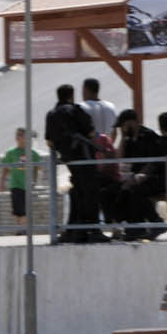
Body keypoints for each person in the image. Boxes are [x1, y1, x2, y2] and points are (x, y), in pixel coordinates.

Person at [44, 83, 101, 243]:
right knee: (90, 192)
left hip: (69, 160)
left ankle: (77, 230)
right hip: (84, 157)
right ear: (71, 95)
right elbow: (90, 132)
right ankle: (93, 230)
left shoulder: (51, 114)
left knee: (78, 191)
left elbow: (49, 141)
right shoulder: (75, 110)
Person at [112, 109, 167, 240]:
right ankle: (134, 229)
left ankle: (156, 222)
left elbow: (154, 162)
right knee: (116, 191)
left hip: (156, 177)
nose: (123, 129)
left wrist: (138, 177)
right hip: (139, 178)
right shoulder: (130, 139)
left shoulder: (149, 136)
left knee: (135, 190)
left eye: (123, 126)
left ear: (132, 123)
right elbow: (120, 158)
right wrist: (123, 138)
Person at [0, 127, 42, 228]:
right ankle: (21, 229)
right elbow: (5, 168)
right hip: (16, 185)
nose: (18, 137)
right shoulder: (11, 153)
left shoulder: (33, 153)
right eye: (17, 135)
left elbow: (37, 167)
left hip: (28, 186)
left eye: (21, 135)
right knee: (18, 210)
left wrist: (34, 181)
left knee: (25, 210)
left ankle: (23, 230)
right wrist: (2, 182)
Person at [81, 77, 117, 144]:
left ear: (85, 89)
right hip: (106, 150)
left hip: (89, 150)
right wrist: (108, 147)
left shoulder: (81, 107)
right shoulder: (111, 106)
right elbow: (114, 132)